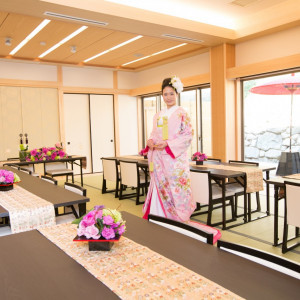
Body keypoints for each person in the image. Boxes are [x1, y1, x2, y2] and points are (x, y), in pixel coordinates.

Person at [143, 76, 196, 222]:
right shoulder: (158, 115)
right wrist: (151, 141)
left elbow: (188, 135)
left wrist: (168, 144)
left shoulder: (181, 113)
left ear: (177, 94)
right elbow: (154, 134)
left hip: (174, 159)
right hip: (159, 159)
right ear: (162, 96)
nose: (168, 97)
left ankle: (177, 217)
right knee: (160, 185)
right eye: (165, 94)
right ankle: (158, 216)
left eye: (171, 94)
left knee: (177, 186)